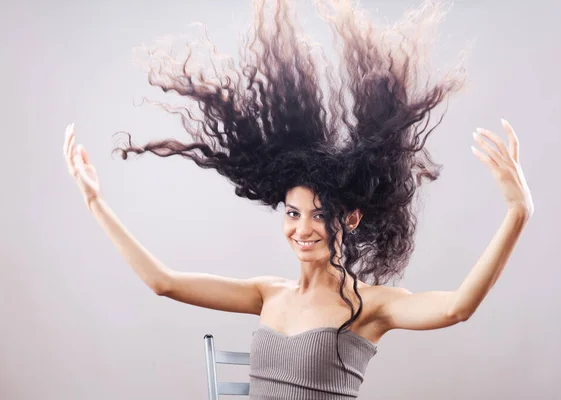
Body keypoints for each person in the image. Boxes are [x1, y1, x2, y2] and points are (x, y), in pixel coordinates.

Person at [62, 0, 534, 398]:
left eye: (318, 214)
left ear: (349, 218)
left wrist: (517, 213)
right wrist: (94, 203)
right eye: (292, 213)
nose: (301, 228)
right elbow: (163, 282)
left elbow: (457, 308)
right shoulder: (267, 293)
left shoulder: (370, 305)